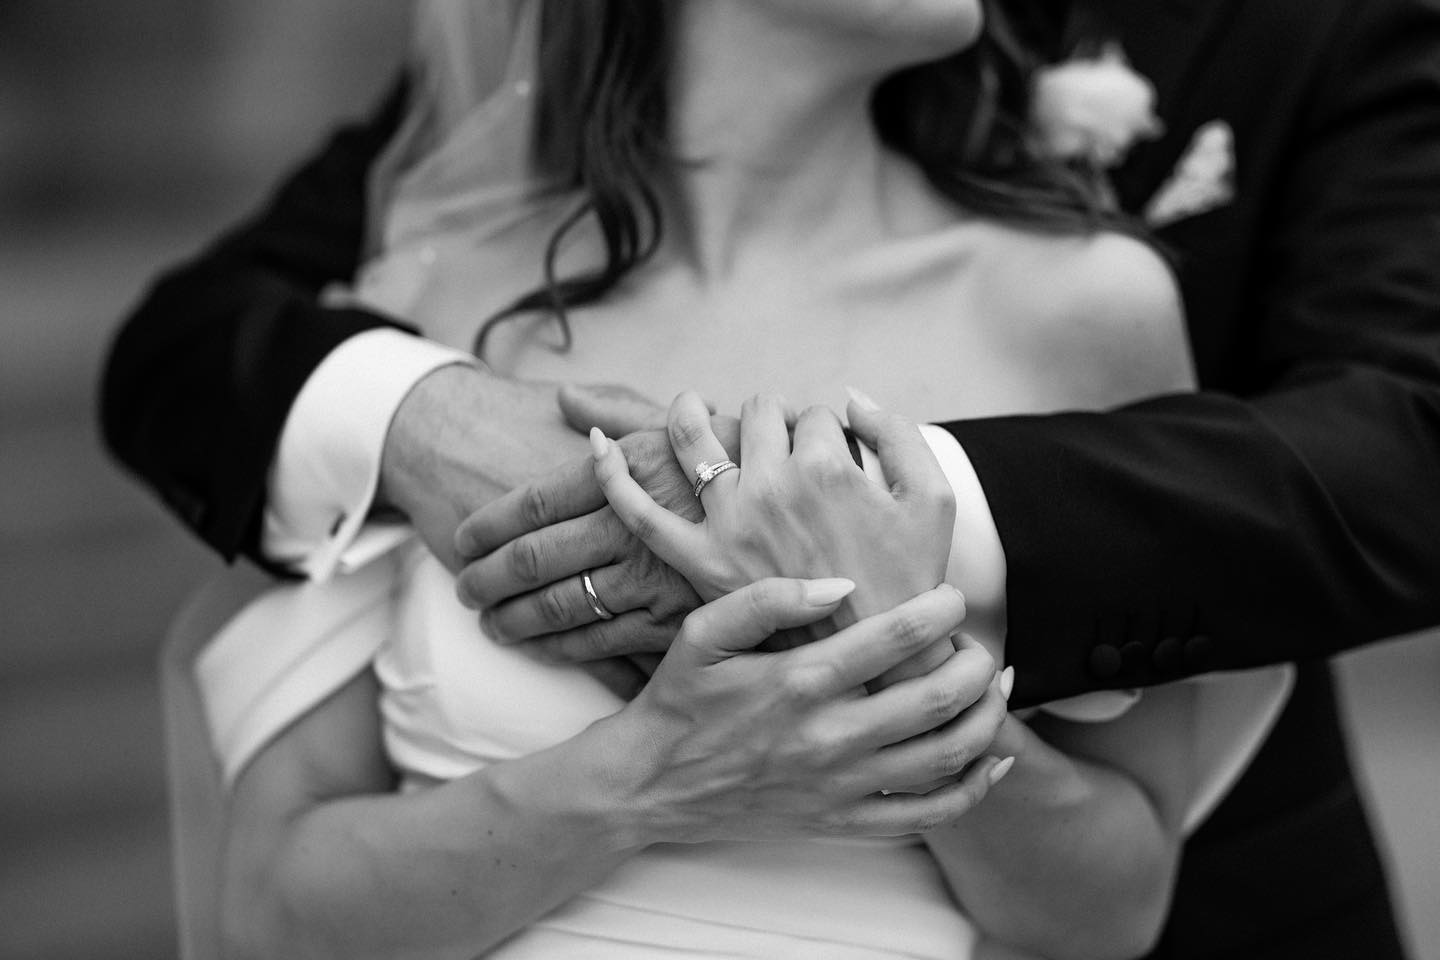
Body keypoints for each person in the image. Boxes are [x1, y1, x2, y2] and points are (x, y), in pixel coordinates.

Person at [100, 0, 1440, 956]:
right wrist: (657, 769)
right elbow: (277, 911)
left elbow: (1109, 902)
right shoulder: (439, 290)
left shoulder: (1088, 304)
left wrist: (879, 628)